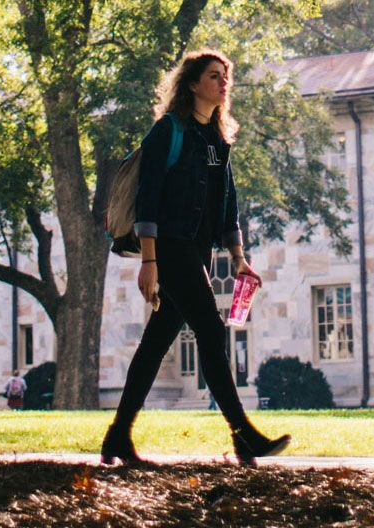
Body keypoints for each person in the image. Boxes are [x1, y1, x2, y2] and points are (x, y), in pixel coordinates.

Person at [100, 49, 291, 468]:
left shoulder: (217, 138)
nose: (223, 83)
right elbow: (148, 198)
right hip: (168, 247)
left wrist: (238, 256)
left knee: (156, 342)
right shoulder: (169, 132)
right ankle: (244, 436)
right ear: (192, 84)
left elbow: (227, 201)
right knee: (209, 326)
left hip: (197, 250)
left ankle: (116, 436)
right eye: (213, 76)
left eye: (226, 77)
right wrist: (149, 263)